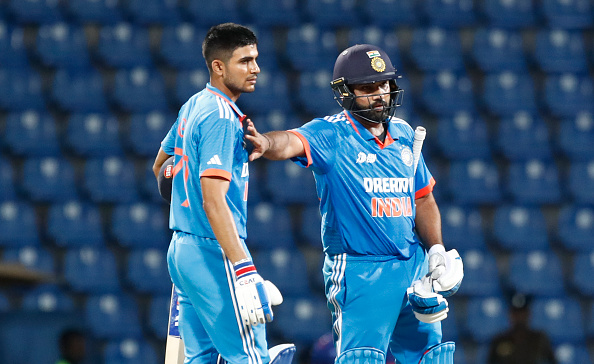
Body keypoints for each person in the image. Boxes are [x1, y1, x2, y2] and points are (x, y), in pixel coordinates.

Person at [245, 44, 463, 364]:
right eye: (368, 87)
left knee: (432, 358)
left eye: (384, 84)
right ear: (345, 93)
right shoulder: (331, 134)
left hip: (413, 268)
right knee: (361, 359)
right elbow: (291, 142)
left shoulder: (404, 134)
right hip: (362, 272)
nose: (379, 94)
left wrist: (436, 251)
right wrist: (265, 143)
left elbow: (424, 198)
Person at [153, 23, 294, 364]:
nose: (256, 68)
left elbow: (161, 167)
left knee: (200, 358)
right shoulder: (220, 117)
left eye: (256, 59)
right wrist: (244, 270)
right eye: (245, 61)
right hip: (214, 251)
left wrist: (186, 194)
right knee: (250, 358)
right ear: (219, 66)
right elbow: (214, 201)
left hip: (182, 250)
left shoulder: (194, 104)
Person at [487, 293, 557, 364]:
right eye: (516, 313)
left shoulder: (539, 339)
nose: (519, 317)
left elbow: (553, 361)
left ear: (529, 314)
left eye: (522, 313)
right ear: (510, 314)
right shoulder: (499, 340)